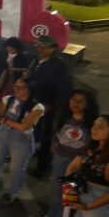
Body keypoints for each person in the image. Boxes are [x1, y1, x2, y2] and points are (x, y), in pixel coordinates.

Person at [34, 90, 99, 217]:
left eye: (81, 101)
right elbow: (56, 132)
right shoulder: (63, 116)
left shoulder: (90, 123)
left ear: (88, 105)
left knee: (71, 193)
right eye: (74, 99)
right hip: (59, 158)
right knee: (57, 191)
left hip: (76, 162)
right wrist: (54, 145)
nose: (76, 103)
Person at [0, 79, 45, 202]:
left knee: (16, 169)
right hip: (3, 133)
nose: (17, 89)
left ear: (29, 89)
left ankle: (12, 193)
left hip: (21, 138)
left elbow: (24, 126)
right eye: (16, 86)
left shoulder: (37, 107)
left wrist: (4, 120)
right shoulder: (8, 99)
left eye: (21, 87)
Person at [26, 35, 73, 177]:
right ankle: (32, 153)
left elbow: (64, 88)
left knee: (46, 137)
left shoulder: (58, 66)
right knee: (33, 131)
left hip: (48, 106)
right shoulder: (36, 60)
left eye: (44, 47)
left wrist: (54, 106)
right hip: (34, 104)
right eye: (39, 46)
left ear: (53, 49)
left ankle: (43, 167)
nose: (41, 49)